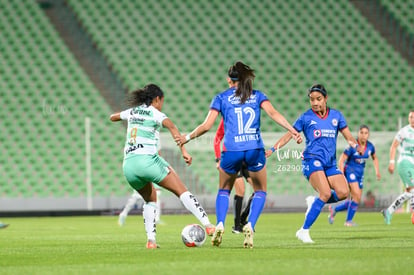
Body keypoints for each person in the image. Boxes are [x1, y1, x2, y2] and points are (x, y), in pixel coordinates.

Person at [175, 61, 301, 248]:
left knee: (224, 190)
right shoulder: (258, 96)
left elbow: (207, 126)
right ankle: (249, 224)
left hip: (231, 151)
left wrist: (187, 137)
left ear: (229, 80)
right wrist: (293, 130)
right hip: (254, 150)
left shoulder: (221, 98)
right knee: (260, 191)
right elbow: (273, 114)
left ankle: (219, 224)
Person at [110, 84, 215, 249]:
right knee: (182, 191)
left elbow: (112, 117)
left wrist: (129, 117)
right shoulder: (155, 113)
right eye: (162, 101)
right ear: (157, 99)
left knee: (150, 200)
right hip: (148, 161)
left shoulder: (132, 112)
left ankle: (151, 241)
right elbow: (172, 127)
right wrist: (184, 151)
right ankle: (208, 225)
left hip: (129, 166)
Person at [266, 84, 364, 243]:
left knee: (344, 193)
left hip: (330, 164)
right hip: (311, 160)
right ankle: (303, 231)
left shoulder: (336, 116)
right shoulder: (305, 118)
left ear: (325, 98)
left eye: (318, 99)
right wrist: (272, 149)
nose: (315, 103)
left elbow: (349, 137)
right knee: (325, 193)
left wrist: (355, 146)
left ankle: (314, 202)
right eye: (312, 100)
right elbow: (289, 134)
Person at [328, 125, 381, 226]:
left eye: (366, 133)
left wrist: (377, 171)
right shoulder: (352, 146)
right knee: (356, 194)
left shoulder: (370, 147)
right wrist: (342, 175)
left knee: (355, 199)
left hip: (360, 174)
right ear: (358, 133)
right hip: (350, 172)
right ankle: (348, 221)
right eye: (361, 132)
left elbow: (375, 158)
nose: (363, 135)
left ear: (368, 135)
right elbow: (341, 160)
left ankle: (334, 209)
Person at [214, 118, 254, 233]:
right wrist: (218, 159)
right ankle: (237, 226)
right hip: (233, 157)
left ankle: (242, 218)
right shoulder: (227, 117)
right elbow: (217, 138)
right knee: (240, 189)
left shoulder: (248, 114)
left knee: (258, 189)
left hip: (247, 158)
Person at [382, 111, 414, 225]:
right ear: (408, 118)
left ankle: (388, 211)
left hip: (413, 165)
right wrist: (391, 162)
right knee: (413, 189)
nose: (412, 119)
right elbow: (394, 146)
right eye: (410, 117)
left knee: (409, 192)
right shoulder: (404, 131)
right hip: (404, 162)